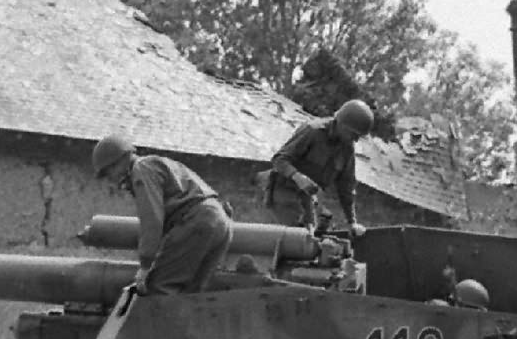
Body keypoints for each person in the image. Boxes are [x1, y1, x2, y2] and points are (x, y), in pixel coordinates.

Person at [92, 134, 232, 295]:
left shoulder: (141, 169)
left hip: (196, 221)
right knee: (191, 294)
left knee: (158, 287)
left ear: (118, 162)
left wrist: (145, 266)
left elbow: (152, 220)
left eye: (109, 173)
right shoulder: (156, 164)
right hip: (220, 222)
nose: (112, 180)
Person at [264, 100, 373, 236]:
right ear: (342, 125)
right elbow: (279, 160)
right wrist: (298, 177)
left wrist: (352, 223)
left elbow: (346, 187)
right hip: (284, 193)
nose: (355, 140)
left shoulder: (347, 148)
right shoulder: (312, 131)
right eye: (354, 135)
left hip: (309, 200)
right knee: (297, 239)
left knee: (318, 237)